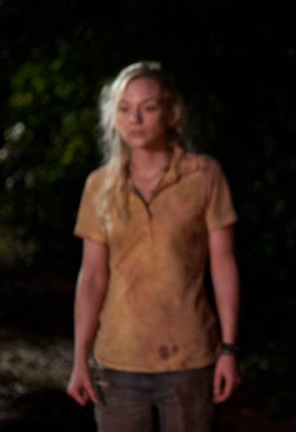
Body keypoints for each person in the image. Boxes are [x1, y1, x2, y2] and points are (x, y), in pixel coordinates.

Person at [65, 61, 241, 431]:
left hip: (189, 357)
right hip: (118, 360)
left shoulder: (203, 175)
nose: (135, 119)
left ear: (171, 113)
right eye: (125, 109)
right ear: (114, 117)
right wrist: (79, 359)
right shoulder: (99, 185)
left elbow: (223, 265)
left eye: (148, 107)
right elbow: (92, 277)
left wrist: (228, 349)